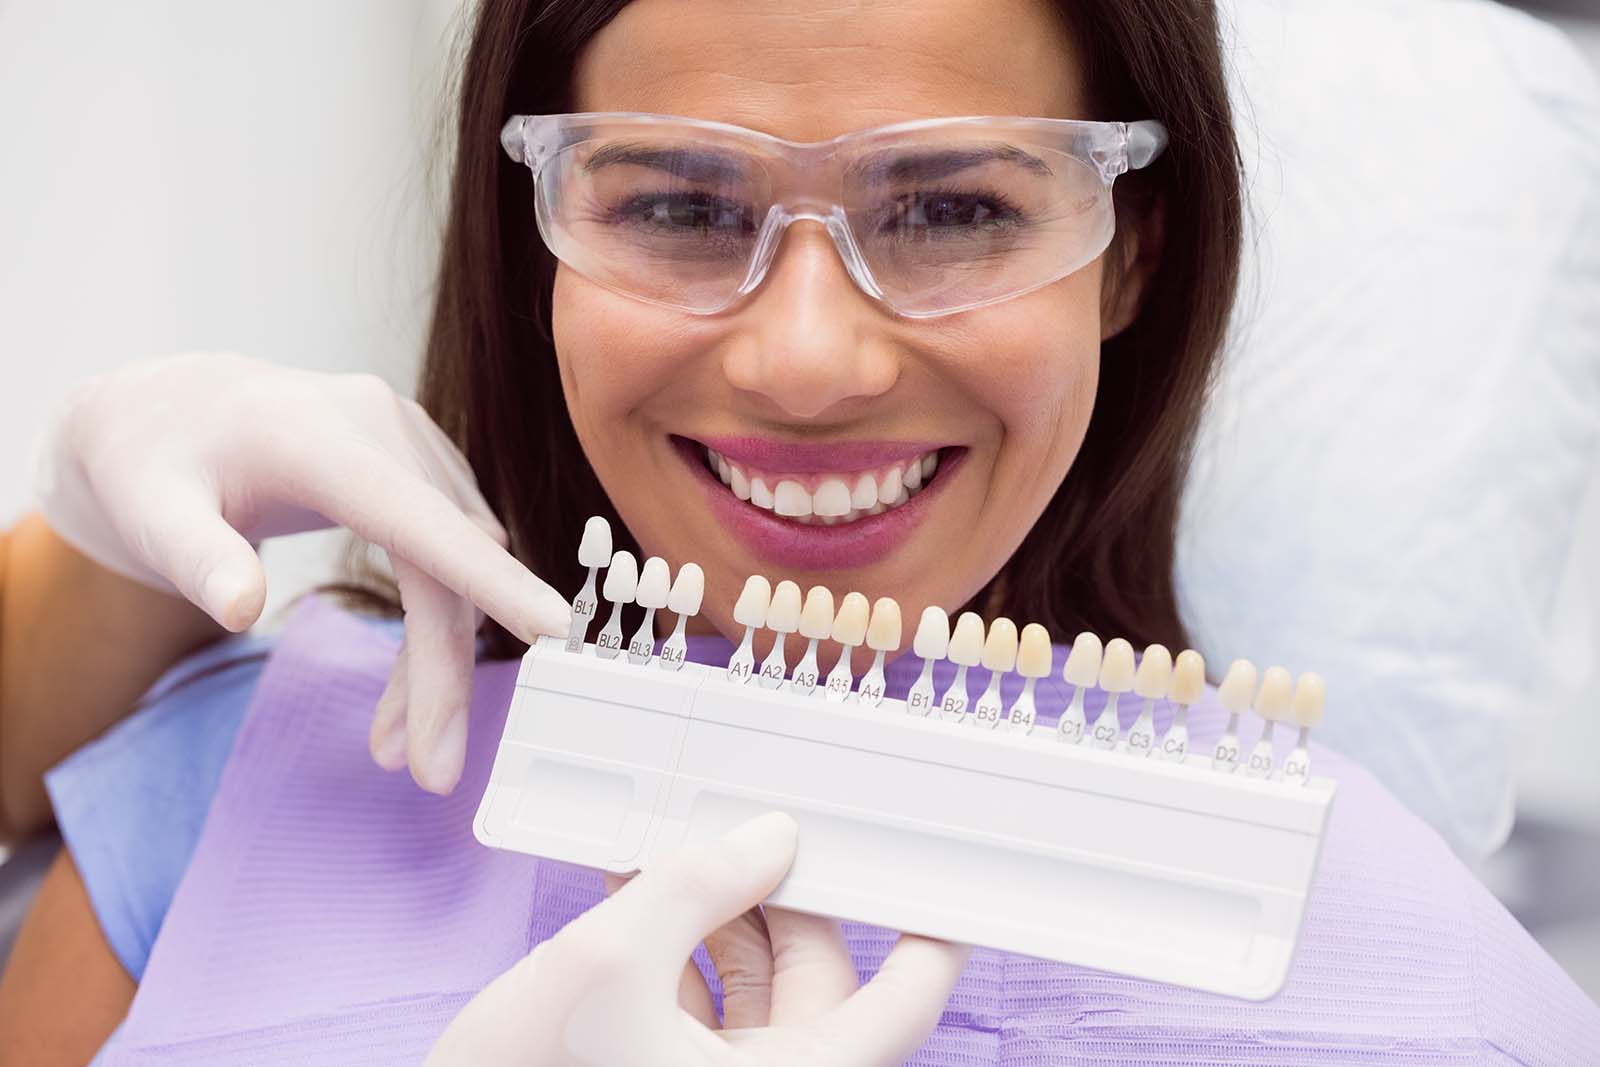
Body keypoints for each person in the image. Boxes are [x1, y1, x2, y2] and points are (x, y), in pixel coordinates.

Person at [2, 0, 1598, 1063]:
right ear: (541, 239)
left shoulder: (1405, 963)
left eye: (956, 207)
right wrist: (96, 555)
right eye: (681, 209)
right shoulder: (235, 794)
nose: (807, 360)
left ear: (1127, 259)